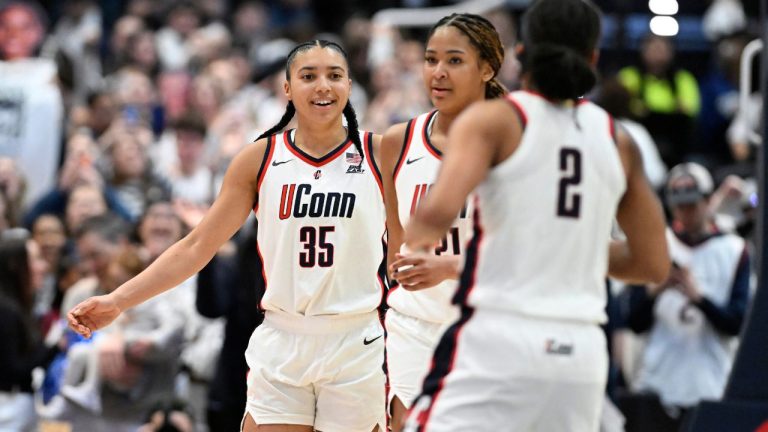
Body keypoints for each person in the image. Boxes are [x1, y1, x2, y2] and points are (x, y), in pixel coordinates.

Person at [68, 40, 388, 432]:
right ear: (286, 89)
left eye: (334, 75)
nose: (323, 85)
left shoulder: (379, 154)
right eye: (308, 76)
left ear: (350, 86)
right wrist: (119, 300)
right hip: (284, 336)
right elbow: (196, 246)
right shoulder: (260, 158)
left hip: (354, 339)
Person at [401, 0, 670, 430]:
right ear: (593, 58)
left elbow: (432, 218)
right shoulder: (617, 139)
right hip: (580, 354)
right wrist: (565, 246)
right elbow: (653, 264)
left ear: (521, 52)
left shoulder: (494, 122)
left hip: (498, 339)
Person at [378, 13, 506, 431]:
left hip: (487, 324)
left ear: (487, 68)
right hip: (413, 325)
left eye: (454, 61)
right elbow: (397, 252)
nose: (438, 73)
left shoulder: (515, 145)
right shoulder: (398, 142)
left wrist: (450, 267)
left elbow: (526, 257)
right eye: (431, 60)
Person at [622, 162, 751, 432]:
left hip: (710, 386)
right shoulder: (658, 244)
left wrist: (698, 298)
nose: (686, 213)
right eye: (679, 206)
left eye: (692, 205)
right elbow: (633, 322)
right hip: (657, 383)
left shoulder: (734, 250)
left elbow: (737, 324)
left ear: (707, 201)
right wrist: (655, 291)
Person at [0, 230, 57, 431]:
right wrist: (54, 347)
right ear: (14, 266)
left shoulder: (18, 305)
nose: (43, 267)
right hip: (8, 408)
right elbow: (12, 368)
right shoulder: (5, 309)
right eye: (35, 259)